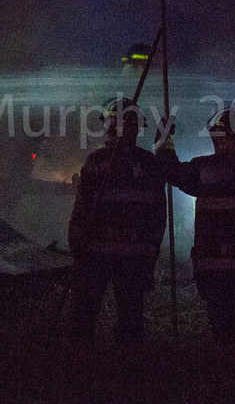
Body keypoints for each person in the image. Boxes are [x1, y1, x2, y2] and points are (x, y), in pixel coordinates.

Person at [157, 103, 235, 347]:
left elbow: (169, 169)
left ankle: (229, 366)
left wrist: (163, 139)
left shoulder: (203, 169)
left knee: (224, 329)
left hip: (216, 265)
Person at [66, 97, 167, 352]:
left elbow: (157, 214)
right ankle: (98, 366)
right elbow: (82, 211)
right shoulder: (107, 162)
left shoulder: (108, 162)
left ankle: (101, 366)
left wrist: (78, 247)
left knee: (114, 319)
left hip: (108, 257)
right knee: (93, 318)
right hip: (111, 257)